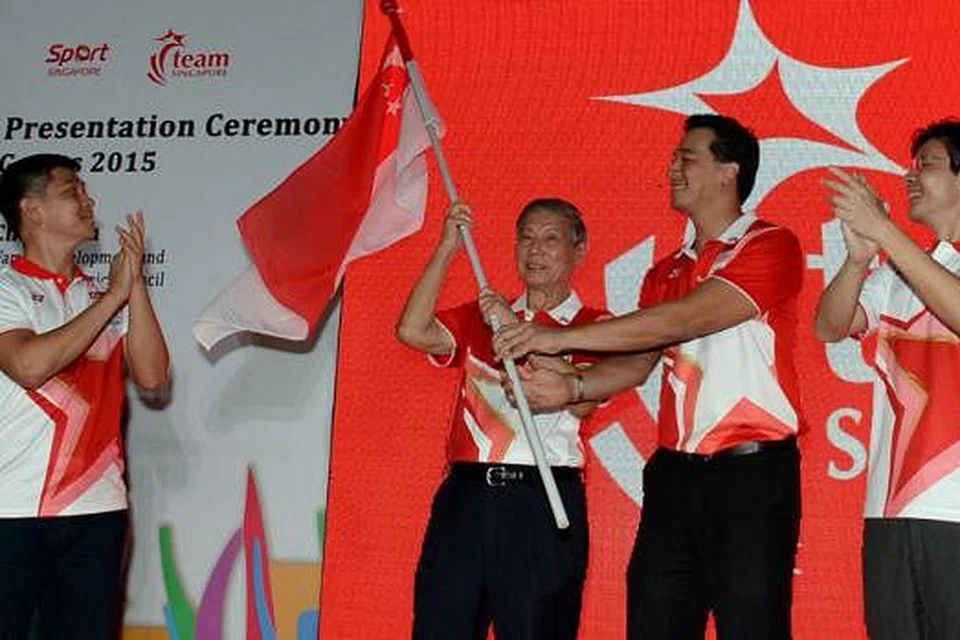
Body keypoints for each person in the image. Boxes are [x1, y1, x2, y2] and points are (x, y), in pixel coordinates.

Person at [493, 115, 805, 639]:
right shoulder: (665, 270)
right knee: (654, 623)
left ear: (729, 171)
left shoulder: (769, 244)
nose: (672, 167)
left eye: (687, 157)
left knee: (753, 626)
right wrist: (572, 387)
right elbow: (641, 361)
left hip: (751, 476)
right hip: (674, 479)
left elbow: (694, 317)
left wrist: (556, 338)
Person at [395, 197, 603, 640]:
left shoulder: (591, 325)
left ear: (579, 251)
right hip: (467, 500)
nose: (535, 250)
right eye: (526, 238)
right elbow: (412, 330)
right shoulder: (480, 317)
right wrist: (447, 247)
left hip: (542, 502)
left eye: (550, 240)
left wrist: (517, 332)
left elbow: (584, 400)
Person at [0, 154, 170, 639]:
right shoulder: (6, 289)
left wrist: (132, 286)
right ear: (31, 210)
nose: (89, 200)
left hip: (96, 510)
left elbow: (154, 377)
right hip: (11, 512)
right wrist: (113, 299)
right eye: (72, 191)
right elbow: (28, 366)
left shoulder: (101, 295)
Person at [815, 120, 960, 639]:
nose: (909, 175)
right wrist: (858, 261)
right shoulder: (900, 271)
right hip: (890, 508)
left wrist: (887, 234)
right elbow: (829, 325)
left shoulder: (910, 262)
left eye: (928, 165)